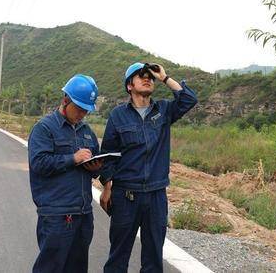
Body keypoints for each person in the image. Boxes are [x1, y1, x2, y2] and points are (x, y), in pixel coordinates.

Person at [99, 62, 198, 272]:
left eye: (150, 77)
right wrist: (107, 187)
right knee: (118, 256)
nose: (147, 78)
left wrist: (164, 77)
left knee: (153, 258)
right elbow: (108, 155)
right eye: (141, 75)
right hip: (125, 195)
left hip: (155, 195)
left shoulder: (163, 110)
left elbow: (189, 99)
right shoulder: (118, 115)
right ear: (129, 86)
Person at [28, 74, 103, 273]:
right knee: (50, 268)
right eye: (79, 109)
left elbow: (95, 164)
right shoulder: (44, 128)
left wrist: (96, 169)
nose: (82, 114)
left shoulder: (87, 132)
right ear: (65, 100)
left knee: (77, 268)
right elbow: (39, 163)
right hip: (57, 215)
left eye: (86, 110)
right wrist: (73, 158)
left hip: (84, 213)